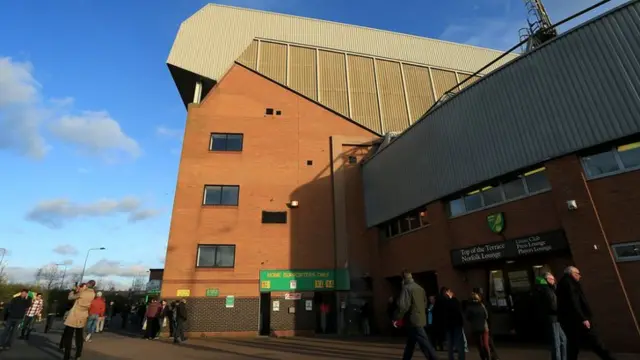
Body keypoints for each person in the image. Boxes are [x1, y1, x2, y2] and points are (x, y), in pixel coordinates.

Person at [557, 266, 615, 360]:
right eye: (578, 274)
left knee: (573, 345)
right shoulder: (570, 284)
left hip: (568, 320)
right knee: (595, 342)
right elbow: (574, 302)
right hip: (576, 320)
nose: (580, 276)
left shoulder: (563, 283)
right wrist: (583, 318)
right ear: (572, 274)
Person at [393, 270, 437, 360]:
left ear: (403, 279)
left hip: (412, 321)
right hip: (420, 318)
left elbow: (403, 306)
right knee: (411, 343)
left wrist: (397, 318)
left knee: (425, 343)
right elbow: (425, 303)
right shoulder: (420, 288)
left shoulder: (406, 288)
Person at [60, 281, 96, 360]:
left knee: (69, 336)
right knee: (79, 337)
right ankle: (78, 355)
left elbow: (70, 297)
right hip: (83, 315)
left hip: (74, 315)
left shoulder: (83, 292)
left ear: (88, 285)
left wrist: (73, 290)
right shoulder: (93, 294)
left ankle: (67, 356)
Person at [536, 272, 567, 360]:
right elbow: (552, 305)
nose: (554, 281)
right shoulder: (546, 290)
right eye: (552, 279)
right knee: (557, 341)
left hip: (554, 317)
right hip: (552, 318)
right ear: (547, 280)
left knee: (562, 339)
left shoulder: (549, 289)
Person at [442, 287, 465, 360]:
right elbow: (459, 313)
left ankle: (451, 358)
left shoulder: (445, 302)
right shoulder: (455, 301)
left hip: (449, 325)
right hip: (456, 324)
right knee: (459, 343)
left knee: (450, 344)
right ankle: (461, 358)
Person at [465, 292, 491, 360]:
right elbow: (486, 316)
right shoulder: (481, 306)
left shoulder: (469, 307)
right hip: (484, 327)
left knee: (479, 344)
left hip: (475, 328)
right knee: (485, 344)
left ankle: (484, 357)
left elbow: (467, 317)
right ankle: (488, 357)